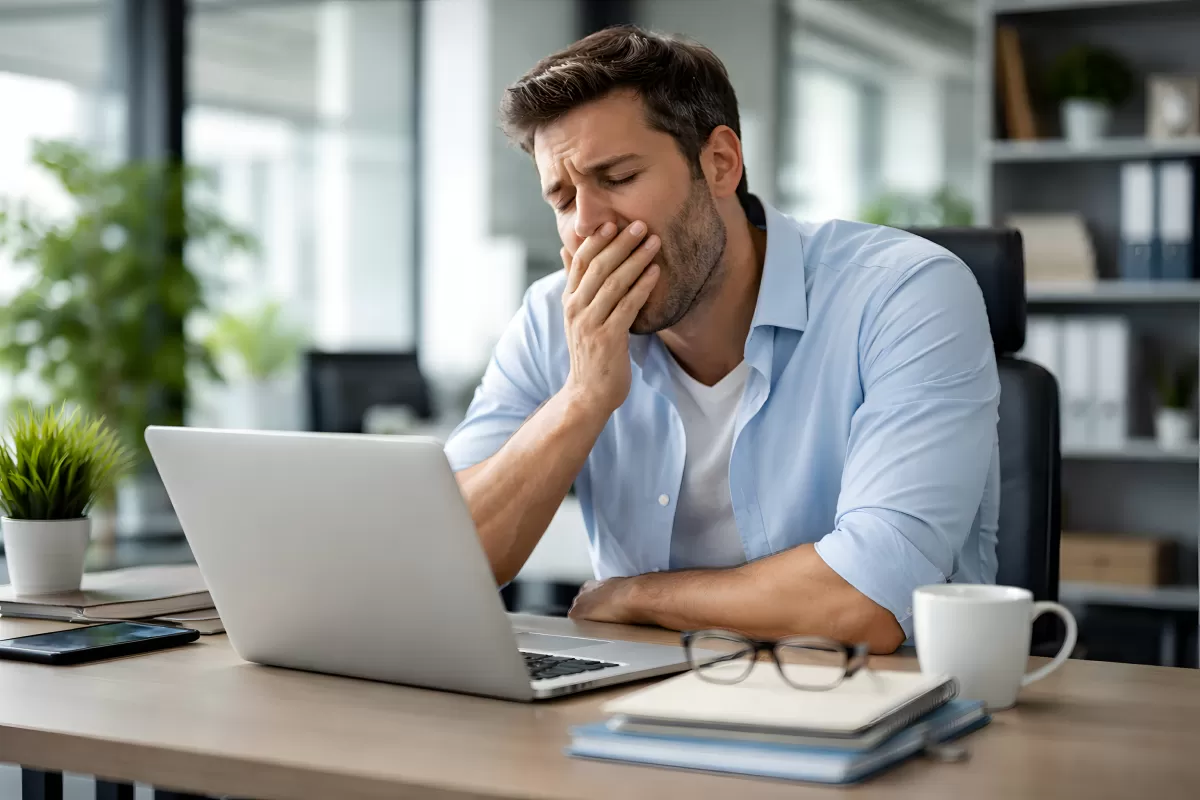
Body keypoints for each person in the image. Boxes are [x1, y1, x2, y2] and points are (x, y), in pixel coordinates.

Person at [445, 25, 999, 654]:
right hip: (633, 702)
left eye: (619, 177)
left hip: (872, 701)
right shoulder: (552, 316)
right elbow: (445, 564)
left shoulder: (905, 293)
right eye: (564, 197)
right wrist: (582, 398)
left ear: (719, 164)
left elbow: (867, 597)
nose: (588, 226)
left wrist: (636, 595)